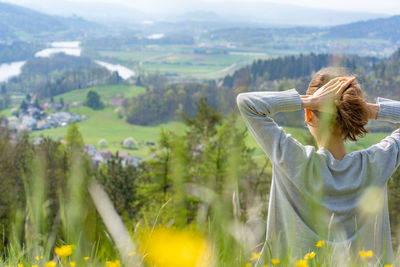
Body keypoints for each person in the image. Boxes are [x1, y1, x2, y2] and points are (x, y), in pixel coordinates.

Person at [236, 67, 400, 266]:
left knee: (254, 227)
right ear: (354, 117)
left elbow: (246, 103)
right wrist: (369, 110)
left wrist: (306, 101)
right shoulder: (376, 164)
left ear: (308, 115)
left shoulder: (291, 159)